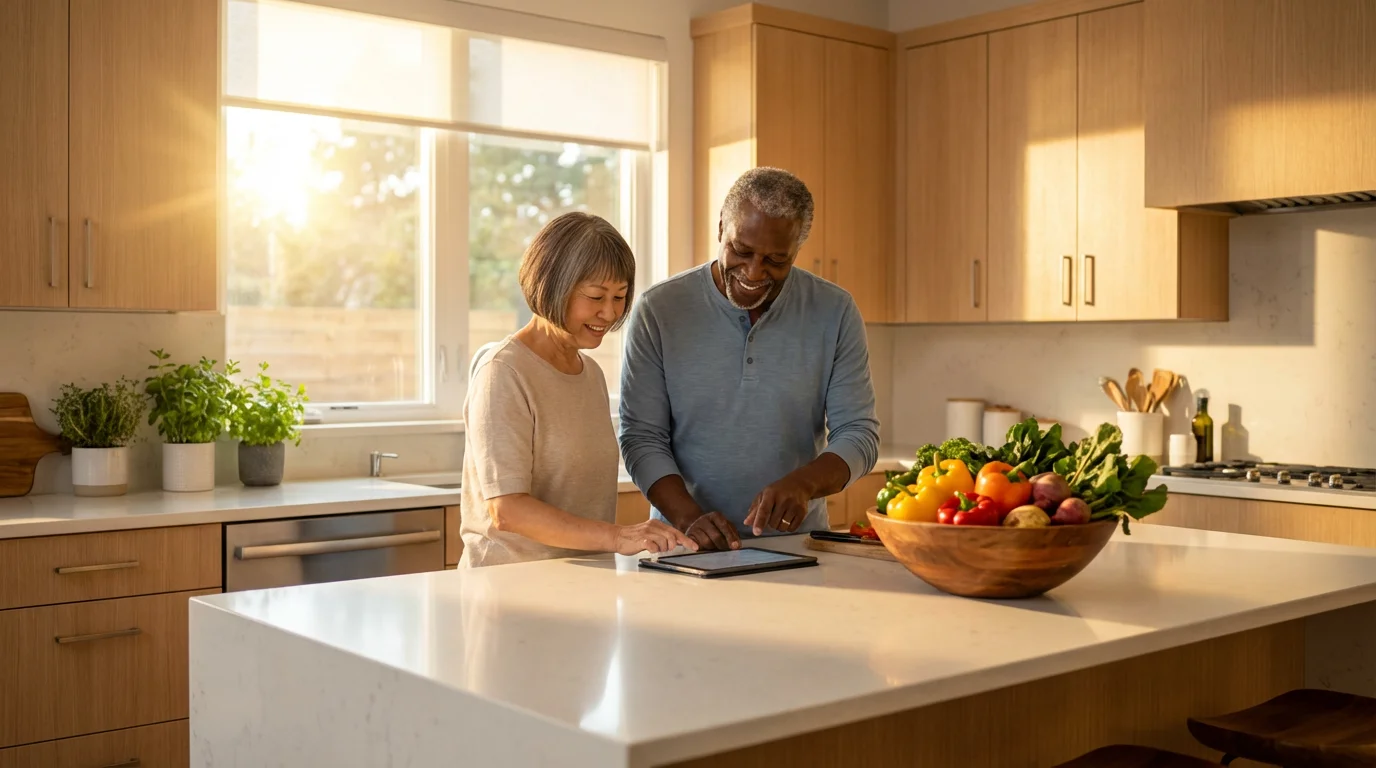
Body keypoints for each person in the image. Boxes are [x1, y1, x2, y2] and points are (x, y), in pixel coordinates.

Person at [619, 167, 880, 550]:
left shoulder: (834, 311)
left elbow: (859, 433)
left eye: (776, 259)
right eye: (741, 251)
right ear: (721, 227)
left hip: (797, 545)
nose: (754, 272)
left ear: (797, 250)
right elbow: (642, 437)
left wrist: (803, 484)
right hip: (683, 543)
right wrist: (690, 519)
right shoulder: (660, 310)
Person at [459, 212, 696, 567]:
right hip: (508, 593)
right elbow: (506, 509)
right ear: (552, 285)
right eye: (596, 296)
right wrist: (617, 536)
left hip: (582, 587)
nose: (610, 313)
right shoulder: (504, 373)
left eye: (619, 297)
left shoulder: (590, 374)